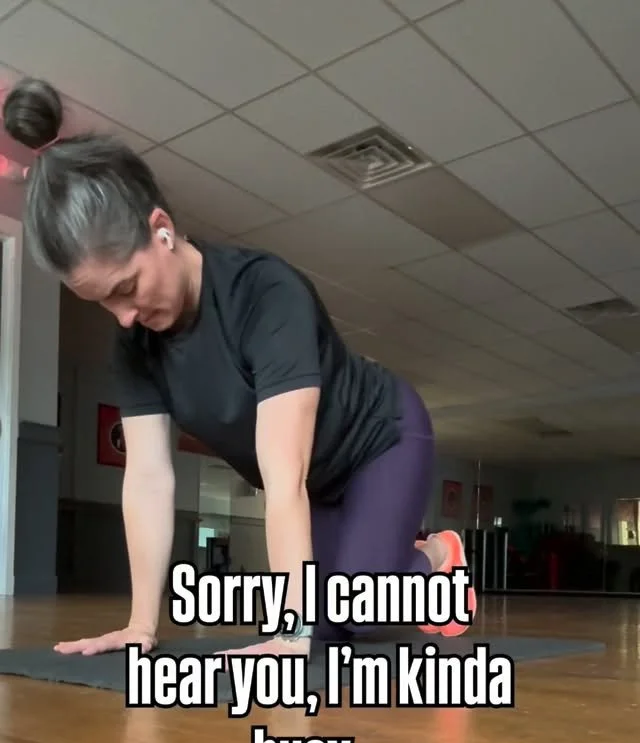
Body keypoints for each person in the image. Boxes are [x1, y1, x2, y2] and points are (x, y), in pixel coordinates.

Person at [2, 77, 476, 659]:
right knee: (329, 623)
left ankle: (435, 556)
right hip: (316, 482)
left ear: (161, 230)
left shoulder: (265, 295)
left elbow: (283, 475)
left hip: (379, 440)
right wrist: (140, 625)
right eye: (102, 302)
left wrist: (291, 634)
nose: (122, 316)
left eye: (126, 287)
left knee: (358, 613)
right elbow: (147, 478)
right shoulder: (136, 344)